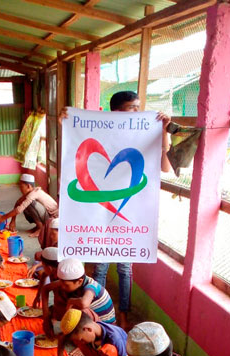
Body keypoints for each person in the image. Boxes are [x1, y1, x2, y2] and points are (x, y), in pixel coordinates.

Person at [60, 92, 171, 330]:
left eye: (139, 107)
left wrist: (163, 130)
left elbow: (164, 165)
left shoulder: (143, 132)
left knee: (124, 268)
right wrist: (66, 123)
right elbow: (75, 151)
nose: (138, 112)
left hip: (129, 212)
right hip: (100, 210)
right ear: (117, 112)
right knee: (100, 267)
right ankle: (97, 315)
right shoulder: (102, 130)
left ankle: (123, 315)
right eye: (132, 108)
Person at [42, 257, 116, 339]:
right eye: (61, 282)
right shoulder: (69, 281)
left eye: (66, 285)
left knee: (79, 308)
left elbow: (84, 303)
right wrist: (46, 320)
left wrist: (71, 301)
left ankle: (79, 336)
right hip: (89, 319)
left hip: (104, 327)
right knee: (61, 295)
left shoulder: (91, 286)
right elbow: (45, 289)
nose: (62, 286)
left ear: (80, 281)